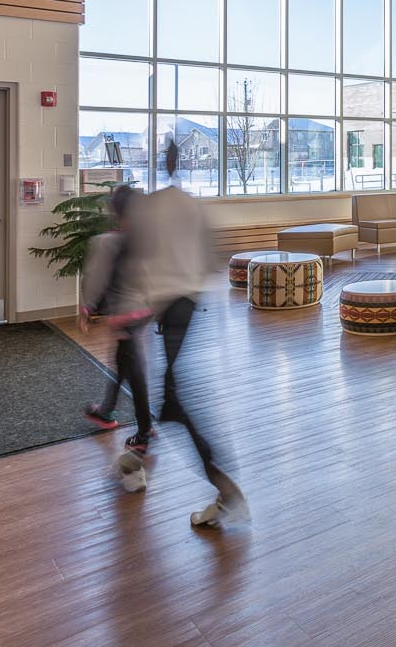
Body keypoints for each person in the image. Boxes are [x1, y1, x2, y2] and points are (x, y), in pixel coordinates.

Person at [134, 139, 250, 528]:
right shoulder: (191, 205)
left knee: (171, 400)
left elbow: (140, 259)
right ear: (178, 162)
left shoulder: (149, 207)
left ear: (158, 162)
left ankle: (224, 486)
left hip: (166, 304)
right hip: (186, 303)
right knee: (169, 395)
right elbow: (208, 260)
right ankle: (146, 454)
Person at [79, 185, 154, 455]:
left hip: (125, 315)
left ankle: (144, 431)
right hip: (143, 312)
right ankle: (106, 410)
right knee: (125, 361)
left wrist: (88, 307)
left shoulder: (109, 242)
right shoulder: (145, 240)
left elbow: (98, 280)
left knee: (135, 371)